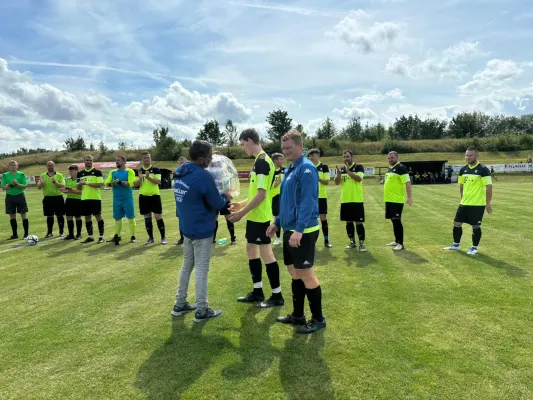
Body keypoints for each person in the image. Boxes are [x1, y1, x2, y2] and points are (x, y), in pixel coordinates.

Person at [267, 129, 326, 334]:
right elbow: (286, 202)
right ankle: (298, 315)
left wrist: (299, 230)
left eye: (289, 148)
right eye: (283, 149)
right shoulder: (290, 169)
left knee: (306, 274)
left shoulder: (307, 169)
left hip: (304, 230)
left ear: (301, 147)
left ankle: (318, 319)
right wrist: (277, 222)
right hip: (289, 228)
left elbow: (307, 202)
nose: (285, 152)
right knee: (294, 272)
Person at [171, 140, 232, 322]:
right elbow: (216, 202)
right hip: (201, 227)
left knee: (187, 266)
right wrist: (225, 198)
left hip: (187, 227)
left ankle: (180, 304)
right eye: (209, 156)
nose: (211, 159)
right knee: (201, 269)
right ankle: (202, 309)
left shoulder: (181, 172)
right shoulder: (202, 176)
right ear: (201, 158)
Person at [227, 128, 284, 309]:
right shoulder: (260, 161)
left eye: (243, 145)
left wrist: (240, 214)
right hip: (255, 216)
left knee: (266, 253)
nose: (243, 149)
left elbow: (261, 195)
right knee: (251, 250)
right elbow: (256, 194)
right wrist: (241, 205)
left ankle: (277, 295)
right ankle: (257, 291)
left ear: (250, 141)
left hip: (260, 217)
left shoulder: (262, 162)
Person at [443, 147, 493, 255]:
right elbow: (461, 187)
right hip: (464, 203)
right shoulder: (463, 170)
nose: (468, 157)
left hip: (477, 204)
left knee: (475, 225)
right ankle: (456, 244)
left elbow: (489, 187)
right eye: (466, 155)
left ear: (476, 156)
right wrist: (462, 199)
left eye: (470, 155)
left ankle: (474, 248)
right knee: (456, 223)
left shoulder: (483, 169)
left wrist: (488, 203)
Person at [335, 150, 366, 251]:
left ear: (352, 157)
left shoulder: (358, 167)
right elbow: (336, 182)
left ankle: (362, 244)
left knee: (358, 223)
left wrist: (348, 171)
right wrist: (339, 174)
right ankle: (352, 242)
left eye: (347, 156)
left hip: (356, 200)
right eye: (344, 157)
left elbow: (358, 179)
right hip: (345, 200)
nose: (345, 159)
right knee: (348, 222)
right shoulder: (342, 169)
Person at [135, 152, 167, 245]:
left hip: (155, 196)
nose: (146, 159)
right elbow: (135, 185)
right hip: (143, 197)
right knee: (147, 218)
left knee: (158, 217)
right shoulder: (139, 171)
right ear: (142, 159)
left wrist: (148, 178)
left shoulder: (155, 169)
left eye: (148, 158)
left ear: (150, 158)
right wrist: (140, 179)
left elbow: (158, 181)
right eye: (144, 158)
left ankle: (163, 237)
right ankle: (150, 238)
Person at [383, 151, 413, 251]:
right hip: (389, 199)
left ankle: (400, 243)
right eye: (389, 158)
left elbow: (407, 183)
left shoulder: (401, 168)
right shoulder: (389, 169)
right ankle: (396, 240)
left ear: (397, 157)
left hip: (397, 200)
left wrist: (409, 197)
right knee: (393, 220)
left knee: (397, 220)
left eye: (392, 158)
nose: (390, 160)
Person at [104, 155, 136, 245]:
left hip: (127, 199)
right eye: (116, 160)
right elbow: (106, 182)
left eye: (118, 160)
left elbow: (130, 183)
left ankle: (133, 236)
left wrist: (120, 182)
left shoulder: (130, 171)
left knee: (131, 217)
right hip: (116, 199)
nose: (116, 162)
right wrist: (110, 184)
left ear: (124, 161)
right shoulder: (113, 172)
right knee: (117, 218)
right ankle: (117, 235)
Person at [308, 149, 332, 248]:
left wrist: (318, 178)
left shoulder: (324, 166)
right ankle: (310, 242)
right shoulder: (307, 167)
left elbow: (326, 182)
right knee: (310, 219)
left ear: (318, 156)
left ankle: (326, 241)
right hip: (310, 197)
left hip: (321, 197)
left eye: (313, 155)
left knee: (323, 218)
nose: (311, 157)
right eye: (309, 156)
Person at [77, 155, 105, 244]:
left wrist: (87, 183)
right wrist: (80, 184)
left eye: (90, 160)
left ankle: (101, 236)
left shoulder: (97, 172)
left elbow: (100, 185)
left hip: (95, 198)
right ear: (84, 161)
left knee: (98, 216)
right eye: (87, 160)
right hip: (84, 198)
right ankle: (90, 236)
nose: (88, 162)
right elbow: (78, 187)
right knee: (87, 217)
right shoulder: (80, 174)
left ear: (92, 161)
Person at [211, 151, 236, 245]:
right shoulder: (209, 170)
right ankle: (212, 238)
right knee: (214, 218)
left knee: (228, 217)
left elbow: (228, 182)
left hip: (225, 197)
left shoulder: (224, 170)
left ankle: (233, 238)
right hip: (214, 197)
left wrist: (229, 194)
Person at [1, 160, 29, 239]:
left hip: (20, 196)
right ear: (9, 166)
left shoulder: (21, 174)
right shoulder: (5, 175)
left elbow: (24, 186)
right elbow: (3, 187)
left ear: (17, 166)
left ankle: (26, 234)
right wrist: (12, 185)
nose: (13, 166)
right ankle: (15, 234)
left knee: (23, 214)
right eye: (11, 165)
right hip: (10, 197)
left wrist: (17, 184)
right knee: (12, 215)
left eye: (14, 165)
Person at [38, 161, 66, 238]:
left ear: (54, 166)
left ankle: (61, 232)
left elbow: (63, 185)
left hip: (58, 198)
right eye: (49, 165)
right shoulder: (43, 175)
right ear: (46, 166)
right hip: (47, 199)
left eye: (51, 165)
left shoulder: (59, 175)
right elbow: (39, 187)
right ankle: (49, 232)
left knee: (60, 216)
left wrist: (55, 182)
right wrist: (42, 183)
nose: (50, 166)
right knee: (49, 216)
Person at [61, 165, 83, 240]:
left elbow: (81, 192)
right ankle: (71, 235)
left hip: (78, 200)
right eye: (69, 171)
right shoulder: (67, 180)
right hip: (69, 200)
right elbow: (68, 191)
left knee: (77, 217)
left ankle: (79, 234)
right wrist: (64, 191)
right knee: (69, 217)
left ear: (77, 171)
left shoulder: (80, 180)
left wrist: (71, 190)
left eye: (72, 171)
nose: (70, 173)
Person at [270, 153, 284, 246]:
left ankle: (278, 238)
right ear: (275, 160)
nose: (282, 161)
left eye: (282, 159)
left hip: (279, 197)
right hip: (269, 197)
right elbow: (272, 185)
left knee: (278, 217)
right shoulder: (270, 171)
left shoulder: (284, 170)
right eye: (280, 159)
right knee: (272, 217)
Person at [175, 157, 188, 245]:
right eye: (180, 164)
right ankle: (182, 238)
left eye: (183, 163)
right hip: (180, 201)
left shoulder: (190, 173)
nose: (181, 166)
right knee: (180, 220)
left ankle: (188, 238)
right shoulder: (177, 173)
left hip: (188, 201)